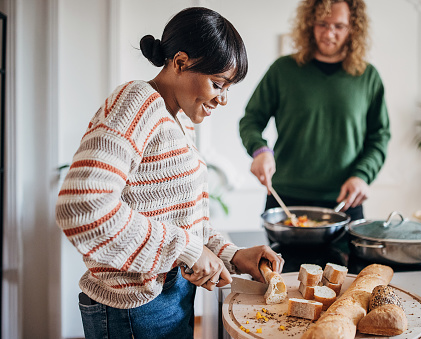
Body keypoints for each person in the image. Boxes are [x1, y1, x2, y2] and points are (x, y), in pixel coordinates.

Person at [55, 7, 283, 339]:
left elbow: (180, 223)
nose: (223, 99)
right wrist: (186, 250)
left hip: (169, 299)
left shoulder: (177, 123)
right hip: (133, 310)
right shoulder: (136, 102)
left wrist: (232, 254)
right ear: (179, 62)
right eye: (218, 83)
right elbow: (83, 204)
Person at [239, 0, 390, 221]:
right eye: (322, 24)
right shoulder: (282, 70)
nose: (329, 34)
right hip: (287, 199)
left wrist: (362, 176)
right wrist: (259, 151)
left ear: (353, 28)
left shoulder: (368, 77)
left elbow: (380, 137)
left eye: (339, 26)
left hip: (345, 200)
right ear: (310, 24)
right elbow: (251, 120)